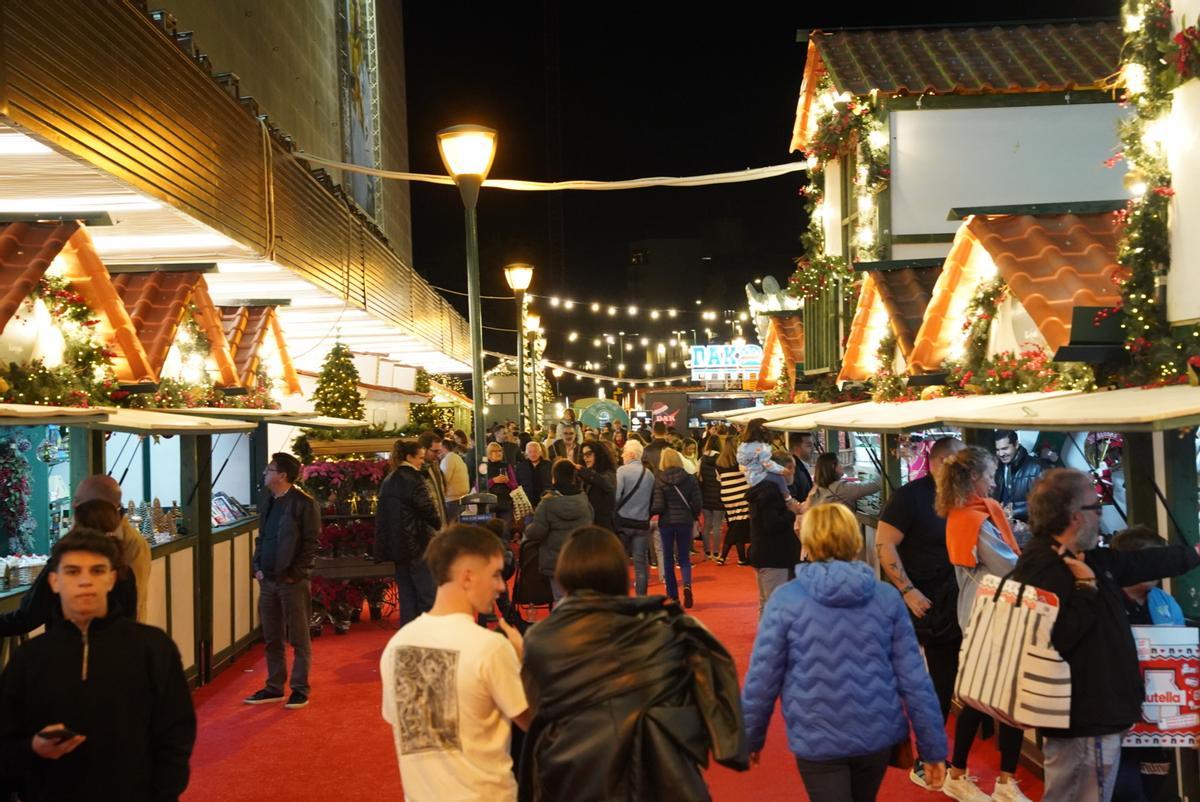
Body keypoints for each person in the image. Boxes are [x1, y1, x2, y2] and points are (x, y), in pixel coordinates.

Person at [1011, 469, 1200, 802]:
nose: (1100, 514)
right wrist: (1085, 588)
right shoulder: (1045, 566)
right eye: (1095, 506)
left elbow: (1141, 562)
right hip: (1084, 721)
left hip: (1096, 718)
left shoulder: (1083, 558)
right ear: (1075, 517)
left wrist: (1194, 553)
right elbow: (1055, 640)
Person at [518, 526, 747, 800]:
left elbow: (535, 714)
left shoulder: (541, 641)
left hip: (575, 780)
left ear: (565, 573)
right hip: (662, 780)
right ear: (618, 571)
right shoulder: (666, 629)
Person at [741, 504, 947, 802]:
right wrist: (933, 748)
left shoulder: (786, 600)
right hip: (876, 733)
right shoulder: (886, 598)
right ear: (855, 539)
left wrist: (750, 737)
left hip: (816, 735)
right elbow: (914, 679)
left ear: (808, 541)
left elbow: (762, 678)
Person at [0, 529, 196, 801]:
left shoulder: (152, 649)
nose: (85, 582)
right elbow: (6, 743)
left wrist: (163, 793)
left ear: (111, 579)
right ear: (54, 582)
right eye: (72, 572)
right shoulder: (29, 660)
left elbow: (176, 733)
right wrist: (33, 748)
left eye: (96, 571)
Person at [379, 525, 531, 802]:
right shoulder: (491, 647)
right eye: (496, 574)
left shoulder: (396, 647)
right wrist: (521, 662)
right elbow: (535, 723)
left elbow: (407, 726)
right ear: (468, 577)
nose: (500, 586)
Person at [935, 446, 1028, 802]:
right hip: (992, 615)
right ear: (974, 478)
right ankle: (999, 780)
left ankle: (966, 773)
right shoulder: (974, 519)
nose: (993, 482)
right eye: (989, 475)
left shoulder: (964, 514)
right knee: (1000, 699)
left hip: (977, 614)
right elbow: (1008, 566)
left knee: (980, 696)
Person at [875, 436, 965, 752]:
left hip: (958, 599)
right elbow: (884, 544)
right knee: (936, 677)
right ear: (939, 462)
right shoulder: (910, 496)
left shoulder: (961, 495)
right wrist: (908, 590)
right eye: (958, 461)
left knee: (951, 677)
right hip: (925, 601)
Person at [0, 480, 141, 636]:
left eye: (77, 501)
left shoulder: (65, 566)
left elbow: (27, 617)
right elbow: (131, 619)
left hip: (67, 652)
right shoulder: (123, 567)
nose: (73, 505)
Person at [1110, 526, 1184, 802]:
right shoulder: (1103, 602)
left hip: (1157, 724)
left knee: (1155, 788)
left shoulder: (1166, 602)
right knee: (1125, 793)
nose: (1161, 567)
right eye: (1155, 559)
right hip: (1115, 725)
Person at [246, 452, 320, 709]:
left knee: (299, 636)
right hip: (268, 579)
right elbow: (262, 536)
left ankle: (299, 688)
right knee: (271, 636)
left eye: (270, 469)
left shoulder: (303, 503)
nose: (265, 472)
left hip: (292, 581)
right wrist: (256, 566)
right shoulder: (268, 500)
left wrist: (295, 573)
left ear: (282, 475)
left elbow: (311, 543)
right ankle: (274, 686)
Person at [375, 438, 442, 627]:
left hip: (398, 546)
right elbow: (428, 510)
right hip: (418, 542)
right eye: (419, 457)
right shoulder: (414, 478)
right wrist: (438, 524)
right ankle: (429, 635)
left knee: (406, 595)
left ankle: (409, 636)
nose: (422, 461)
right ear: (409, 457)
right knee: (426, 592)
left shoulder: (389, 479)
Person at [522, 459, 593, 603]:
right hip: (579, 556)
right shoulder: (584, 500)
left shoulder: (547, 502)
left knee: (560, 599)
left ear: (554, 476)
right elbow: (590, 523)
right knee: (578, 599)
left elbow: (536, 532)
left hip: (555, 559)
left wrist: (528, 523)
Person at [748, 452, 805, 613]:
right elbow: (772, 524)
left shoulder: (764, 489)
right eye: (792, 468)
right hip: (774, 556)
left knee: (767, 604)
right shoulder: (771, 493)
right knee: (775, 605)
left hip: (765, 554)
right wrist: (791, 512)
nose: (794, 472)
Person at [650, 448, 703, 608]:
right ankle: (687, 586)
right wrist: (693, 515)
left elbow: (658, 506)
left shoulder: (659, 479)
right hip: (685, 522)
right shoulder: (689, 478)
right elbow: (698, 502)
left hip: (666, 523)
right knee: (684, 558)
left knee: (668, 559)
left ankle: (673, 596)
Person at [614, 439, 655, 595]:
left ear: (631, 454)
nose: (622, 455)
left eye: (624, 452)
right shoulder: (649, 474)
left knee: (620, 564)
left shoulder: (622, 471)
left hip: (624, 522)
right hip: (642, 523)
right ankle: (641, 599)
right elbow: (651, 499)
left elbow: (617, 496)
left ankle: (621, 596)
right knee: (641, 565)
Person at [993, 430, 1043, 524]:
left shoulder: (1036, 468)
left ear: (1016, 444)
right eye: (997, 450)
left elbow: (1045, 504)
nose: (1001, 454)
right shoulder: (996, 467)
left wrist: (1014, 511)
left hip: (1028, 529)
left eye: (1005, 448)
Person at [715, 437, 751, 566]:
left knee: (736, 525)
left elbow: (719, 480)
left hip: (727, 497)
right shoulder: (742, 461)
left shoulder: (719, 462)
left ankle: (738, 558)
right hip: (742, 496)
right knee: (737, 527)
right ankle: (724, 556)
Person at [807, 452, 881, 511]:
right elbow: (875, 485)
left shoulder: (816, 489)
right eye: (840, 463)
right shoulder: (841, 488)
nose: (842, 466)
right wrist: (881, 466)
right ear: (833, 466)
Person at [736, 418, 787, 492]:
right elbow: (767, 463)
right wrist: (782, 470)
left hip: (751, 478)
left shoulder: (744, 446)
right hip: (761, 477)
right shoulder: (762, 447)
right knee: (780, 479)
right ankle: (789, 499)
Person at [577, 439, 617, 532]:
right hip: (591, 526)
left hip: (604, 529)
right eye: (583, 455)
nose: (585, 458)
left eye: (589, 454)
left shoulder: (608, 473)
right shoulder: (588, 477)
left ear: (598, 454)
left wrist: (583, 471)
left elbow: (606, 483)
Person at [698, 434, 725, 561]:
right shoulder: (721, 459)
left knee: (706, 525)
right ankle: (716, 552)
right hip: (719, 496)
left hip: (705, 495)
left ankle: (707, 551)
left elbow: (698, 477)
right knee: (717, 526)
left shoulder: (701, 459)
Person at [483, 441, 519, 531]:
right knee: (491, 531)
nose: (498, 453)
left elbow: (515, 485)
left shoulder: (506, 466)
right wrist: (493, 480)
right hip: (490, 503)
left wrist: (507, 481)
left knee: (505, 530)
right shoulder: (484, 467)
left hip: (505, 502)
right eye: (495, 451)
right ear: (489, 454)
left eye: (500, 451)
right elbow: (478, 485)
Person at [417, 431, 448, 529]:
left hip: (439, 522)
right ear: (423, 449)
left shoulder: (435, 465)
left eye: (439, 451)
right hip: (429, 526)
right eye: (435, 451)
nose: (438, 454)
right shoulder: (418, 470)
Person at [515, 441, 553, 510]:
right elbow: (517, 483)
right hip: (527, 502)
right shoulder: (521, 466)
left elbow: (553, 482)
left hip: (546, 500)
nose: (533, 454)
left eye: (535, 451)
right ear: (526, 453)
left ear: (540, 452)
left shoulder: (549, 465)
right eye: (530, 452)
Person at [440, 437, 470, 523]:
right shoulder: (456, 457)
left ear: (444, 448)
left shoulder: (448, 460)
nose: (438, 452)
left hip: (452, 500)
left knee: (452, 527)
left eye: (439, 449)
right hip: (460, 499)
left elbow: (443, 481)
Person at [788, 432, 816, 503]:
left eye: (813, 445)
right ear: (796, 448)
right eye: (809, 445)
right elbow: (791, 498)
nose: (813, 449)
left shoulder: (801, 467)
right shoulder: (792, 470)